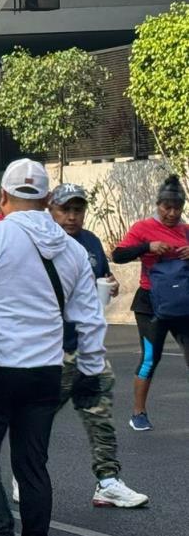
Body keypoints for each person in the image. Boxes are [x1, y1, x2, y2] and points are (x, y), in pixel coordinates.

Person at [0, 159, 107, 536]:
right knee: (32, 466)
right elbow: (90, 318)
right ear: (48, 198)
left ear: (2, 196)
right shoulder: (72, 251)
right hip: (44, 374)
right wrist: (89, 370)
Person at [39, 184, 148, 507]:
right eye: (65, 210)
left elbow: (103, 274)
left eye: (78, 210)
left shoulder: (90, 242)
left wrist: (111, 285)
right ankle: (25, 474)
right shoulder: (42, 244)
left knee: (100, 417)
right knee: (38, 419)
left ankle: (107, 481)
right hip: (50, 350)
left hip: (88, 348)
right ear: (51, 210)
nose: (72, 217)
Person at [112, 174, 189, 431]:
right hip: (150, 305)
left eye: (177, 208)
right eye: (167, 207)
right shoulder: (142, 228)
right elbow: (118, 255)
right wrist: (147, 246)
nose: (172, 213)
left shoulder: (186, 230)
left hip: (182, 304)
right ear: (158, 205)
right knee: (150, 358)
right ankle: (138, 413)